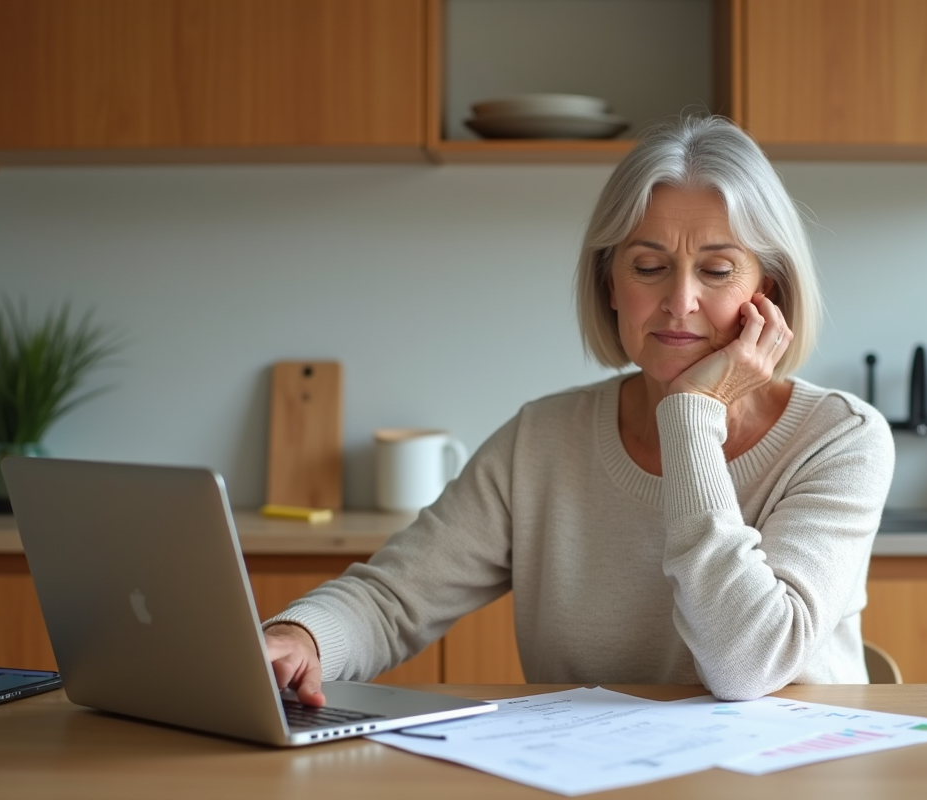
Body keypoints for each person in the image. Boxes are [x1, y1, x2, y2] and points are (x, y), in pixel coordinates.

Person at [264, 115, 895, 706]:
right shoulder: (542, 439)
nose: (680, 301)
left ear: (769, 292)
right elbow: (394, 599)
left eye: (718, 270)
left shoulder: (841, 439)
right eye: (648, 267)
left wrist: (690, 417)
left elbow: (748, 665)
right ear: (610, 285)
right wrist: (302, 638)